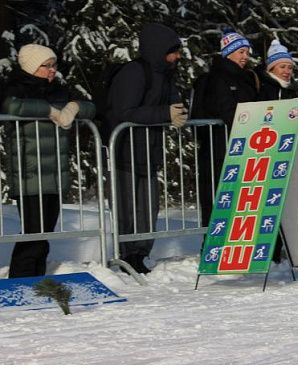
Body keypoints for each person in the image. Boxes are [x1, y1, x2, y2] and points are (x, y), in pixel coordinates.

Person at [1, 44, 94, 278]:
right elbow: (13, 106)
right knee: (33, 232)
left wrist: (73, 107)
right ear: (33, 67)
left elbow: (91, 107)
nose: (53, 70)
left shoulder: (58, 90)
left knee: (45, 233)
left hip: (54, 173)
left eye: (54, 65)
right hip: (29, 173)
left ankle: (37, 279)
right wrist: (51, 112)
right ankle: (21, 278)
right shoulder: (16, 88)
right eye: (47, 66)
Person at [106, 23, 186, 274]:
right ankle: (128, 255)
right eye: (173, 51)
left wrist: (180, 112)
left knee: (147, 207)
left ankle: (141, 253)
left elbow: (176, 103)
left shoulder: (165, 74)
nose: (177, 57)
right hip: (125, 151)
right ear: (159, 49)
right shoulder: (134, 72)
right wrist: (164, 113)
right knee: (127, 207)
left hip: (149, 152)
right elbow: (124, 111)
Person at [191, 28, 260, 228]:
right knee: (217, 199)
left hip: (241, 146)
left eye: (247, 53)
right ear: (228, 52)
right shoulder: (216, 78)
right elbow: (225, 110)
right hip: (219, 148)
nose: (245, 57)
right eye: (241, 52)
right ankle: (214, 245)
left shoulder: (246, 77)